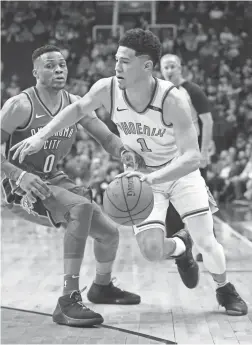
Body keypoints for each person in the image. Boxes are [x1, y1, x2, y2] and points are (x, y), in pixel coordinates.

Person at [11, 30, 248, 316]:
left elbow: (193, 156)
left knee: (207, 241)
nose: (116, 66)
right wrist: (40, 137)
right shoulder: (105, 89)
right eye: (116, 60)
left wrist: (150, 173)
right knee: (150, 251)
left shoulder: (173, 100)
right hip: (139, 179)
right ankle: (181, 247)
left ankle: (224, 289)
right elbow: (76, 110)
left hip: (179, 175)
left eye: (124, 61)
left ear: (146, 66)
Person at [0, 45, 141, 327]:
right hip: (18, 186)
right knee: (81, 207)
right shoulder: (20, 105)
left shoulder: (75, 103)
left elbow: (107, 138)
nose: (58, 70)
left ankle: (101, 286)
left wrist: (124, 152)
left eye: (62, 65)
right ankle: (68, 299)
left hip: (52, 178)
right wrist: (18, 175)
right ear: (35, 72)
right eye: (50, 66)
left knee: (110, 234)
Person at [160, 53, 214, 262]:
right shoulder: (161, 93)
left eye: (173, 66)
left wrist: (205, 151)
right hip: (169, 154)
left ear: (180, 67)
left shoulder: (192, 91)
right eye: (166, 67)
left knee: (199, 200)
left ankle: (205, 246)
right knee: (170, 199)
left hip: (191, 153)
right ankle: (177, 247)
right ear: (161, 69)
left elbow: (207, 122)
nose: (169, 70)